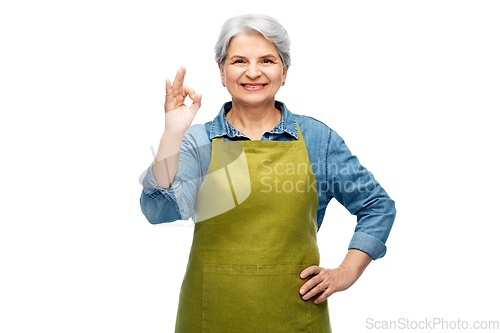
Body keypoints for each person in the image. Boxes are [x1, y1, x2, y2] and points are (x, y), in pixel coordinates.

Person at [140, 14, 396, 333]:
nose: (253, 72)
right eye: (238, 61)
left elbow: (377, 206)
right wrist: (172, 135)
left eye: (267, 60)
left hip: (295, 317)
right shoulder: (199, 141)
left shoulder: (317, 140)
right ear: (221, 71)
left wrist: (346, 272)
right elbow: (156, 208)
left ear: (284, 71)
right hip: (211, 316)